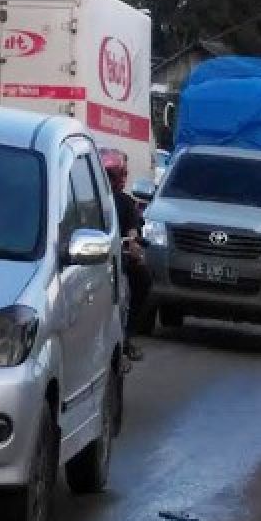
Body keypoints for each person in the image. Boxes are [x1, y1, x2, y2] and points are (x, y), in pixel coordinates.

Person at [100, 148, 148, 361]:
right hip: (89, 259)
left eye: (113, 176)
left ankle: (127, 335)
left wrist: (133, 244)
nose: (110, 181)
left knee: (143, 279)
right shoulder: (87, 199)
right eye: (106, 175)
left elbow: (132, 229)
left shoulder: (125, 202)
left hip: (117, 258)